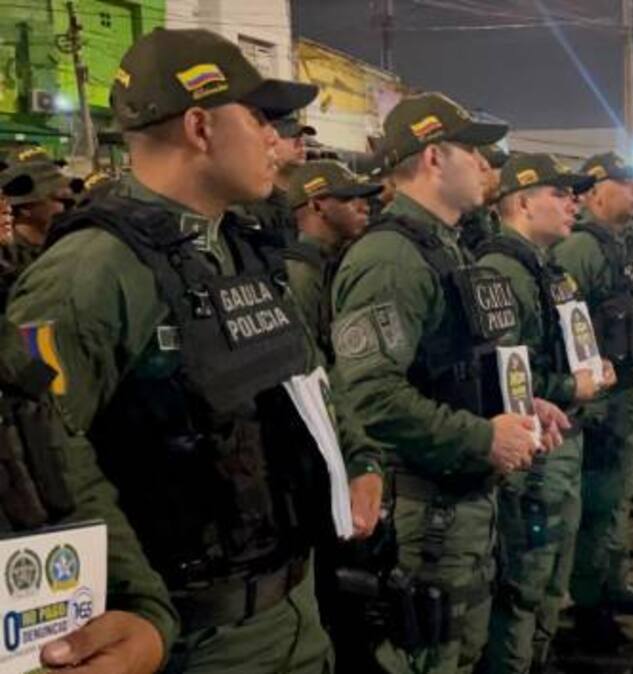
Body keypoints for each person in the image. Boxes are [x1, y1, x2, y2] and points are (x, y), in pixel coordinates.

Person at [6, 28, 387, 673]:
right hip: (195, 642)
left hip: (293, 614)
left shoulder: (240, 248)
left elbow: (306, 374)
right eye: (260, 118)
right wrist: (138, 608)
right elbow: (33, 458)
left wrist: (359, 458)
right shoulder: (91, 274)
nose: (276, 139)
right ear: (200, 126)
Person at [329, 91, 567, 673]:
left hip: (459, 498)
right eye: (474, 151)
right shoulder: (391, 258)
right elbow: (369, 396)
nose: (487, 166)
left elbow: (451, 365)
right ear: (434, 157)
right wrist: (483, 436)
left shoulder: (446, 247)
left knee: (460, 652)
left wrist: (520, 403)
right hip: (424, 506)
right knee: (427, 658)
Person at [475, 153, 617, 674]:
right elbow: (501, 373)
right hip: (533, 446)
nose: (572, 203)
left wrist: (590, 367)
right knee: (525, 577)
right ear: (522, 202)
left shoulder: (545, 266)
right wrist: (569, 385)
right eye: (559, 194)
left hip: (561, 435)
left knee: (554, 567)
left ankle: (540, 655)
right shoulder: (501, 270)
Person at [553, 151, 633, 650]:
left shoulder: (626, 244)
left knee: (618, 499)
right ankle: (588, 604)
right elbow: (564, 325)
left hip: (627, 393)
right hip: (600, 401)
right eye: (626, 183)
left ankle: (612, 584)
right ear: (596, 193)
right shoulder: (580, 248)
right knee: (597, 506)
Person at [283, 159, 380, 348]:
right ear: (317, 207)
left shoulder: (345, 258)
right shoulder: (301, 273)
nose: (365, 207)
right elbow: (304, 351)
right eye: (350, 198)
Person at [237, 115, 315, 242]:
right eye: (291, 136)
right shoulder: (250, 205)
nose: (301, 143)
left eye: (301, 137)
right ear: (269, 142)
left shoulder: (306, 201)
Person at [0, 159, 72, 279]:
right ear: (25, 208)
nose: (65, 207)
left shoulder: (67, 243)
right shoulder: (6, 256)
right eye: (58, 199)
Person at [459, 143, 508, 255]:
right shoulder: (464, 220)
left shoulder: (493, 217)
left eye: (504, 167)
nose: (500, 176)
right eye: (494, 167)